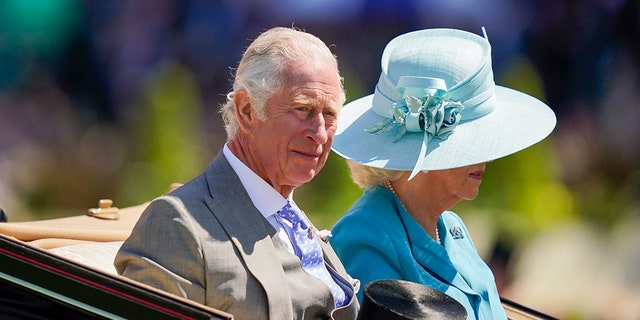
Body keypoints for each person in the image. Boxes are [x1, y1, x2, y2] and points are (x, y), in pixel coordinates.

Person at [115, 27, 360, 320]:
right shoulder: (179, 224)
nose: (319, 133)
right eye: (302, 109)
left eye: (330, 114)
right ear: (247, 111)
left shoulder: (292, 218)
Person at [329, 28, 556, 319]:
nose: (484, 155)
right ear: (421, 151)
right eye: (470, 140)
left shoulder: (451, 227)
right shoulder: (363, 235)